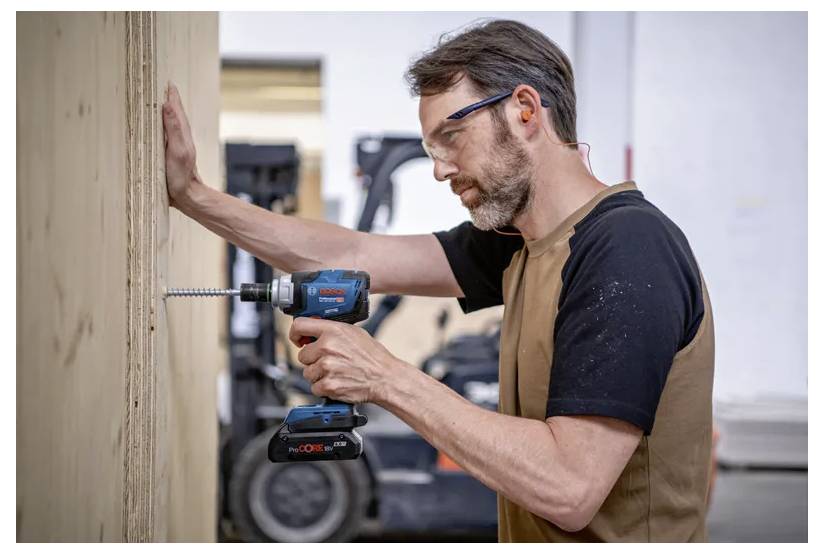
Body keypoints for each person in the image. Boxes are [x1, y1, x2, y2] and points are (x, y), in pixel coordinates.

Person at [162, 19, 714, 542]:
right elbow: (352, 252)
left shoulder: (626, 248)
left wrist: (383, 377)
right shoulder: (517, 243)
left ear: (524, 110)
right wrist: (196, 197)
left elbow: (569, 486)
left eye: (453, 135)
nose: (440, 169)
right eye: (430, 149)